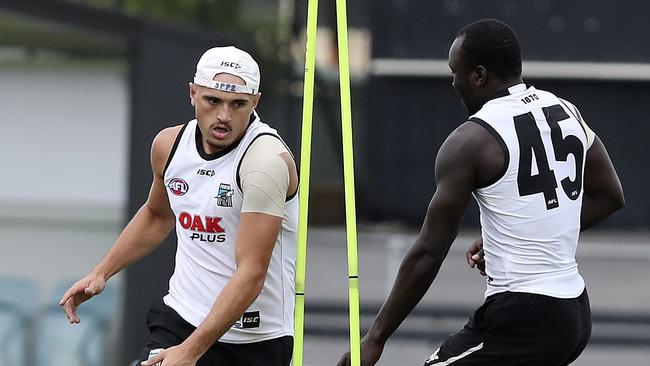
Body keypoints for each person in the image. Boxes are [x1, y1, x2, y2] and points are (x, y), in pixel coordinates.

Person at [337, 19, 624, 366]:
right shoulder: (566, 110)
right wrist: (528, 235)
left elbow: (429, 251)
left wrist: (375, 338)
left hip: (524, 315)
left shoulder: (471, 141)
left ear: (479, 75)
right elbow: (610, 195)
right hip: (575, 309)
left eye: (455, 71)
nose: (452, 82)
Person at [59, 46, 299, 366]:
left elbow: (252, 272)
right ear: (193, 93)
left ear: (255, 101)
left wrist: (190, 352)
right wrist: (101, 273)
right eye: (212, 101)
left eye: (238, 104)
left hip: (251, 339)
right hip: (180, 319)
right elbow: (158, 215)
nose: (224, 116)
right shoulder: (169, 145)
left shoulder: (264, 162)